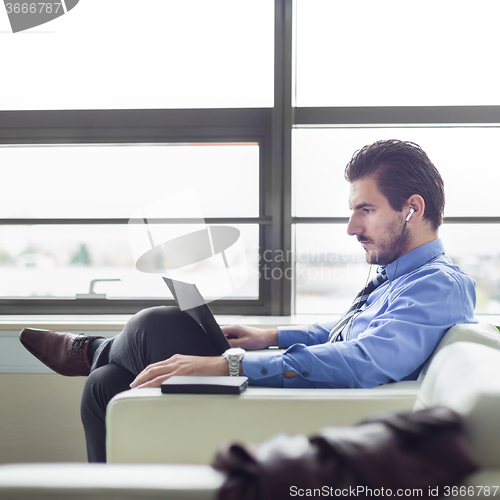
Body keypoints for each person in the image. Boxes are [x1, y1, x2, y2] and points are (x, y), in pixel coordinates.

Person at [19, 139, 476, 462]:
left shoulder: (437, 285)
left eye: (366, 209)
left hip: (301, 409)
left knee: (155, 324)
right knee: (104, 384)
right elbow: (345, 334)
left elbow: (363, 359)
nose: (352, 228)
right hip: (299, 387)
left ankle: (96, 346)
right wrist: (270, 335)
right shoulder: (397, 277)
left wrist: (231, 364)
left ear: (412, 209)